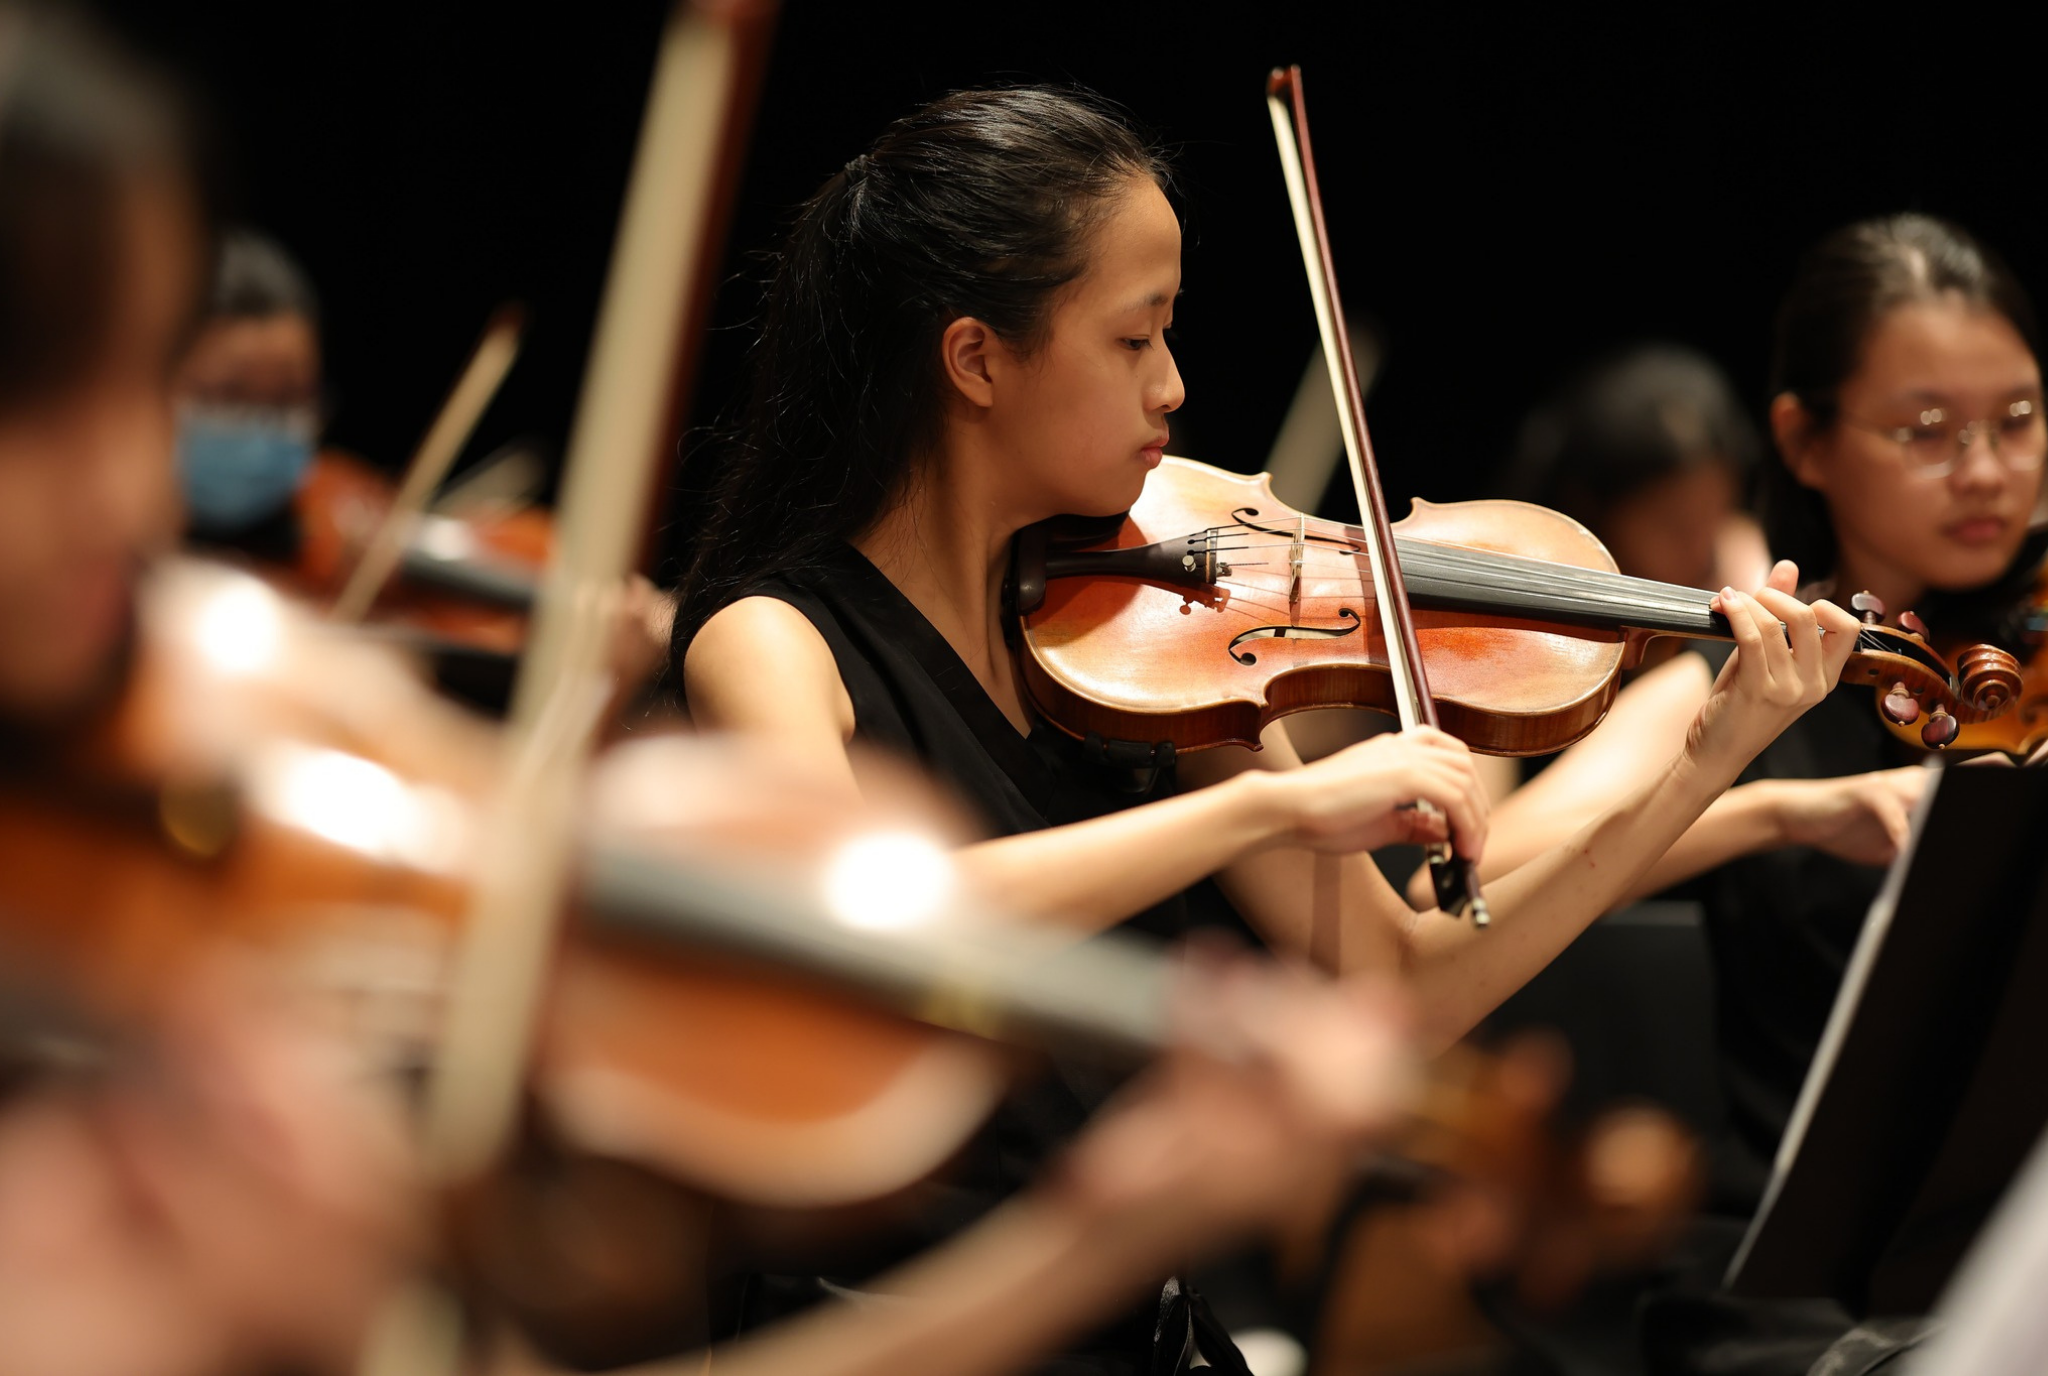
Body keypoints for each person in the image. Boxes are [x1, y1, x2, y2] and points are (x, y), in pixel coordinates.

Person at [670, 84, 1857, 1370]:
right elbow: (867, 937)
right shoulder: (774, 646)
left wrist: (1705, 758)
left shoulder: (1141, 648)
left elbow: (1403, 989)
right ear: (975, 360)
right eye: (1135, 339)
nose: (1174, 385)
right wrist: (1262, 806)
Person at [1498, 342, 1769, 598]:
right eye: (1672, 525)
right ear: (1593, 510)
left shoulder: (1753, 568)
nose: (1702, 551)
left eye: (1717, 512)